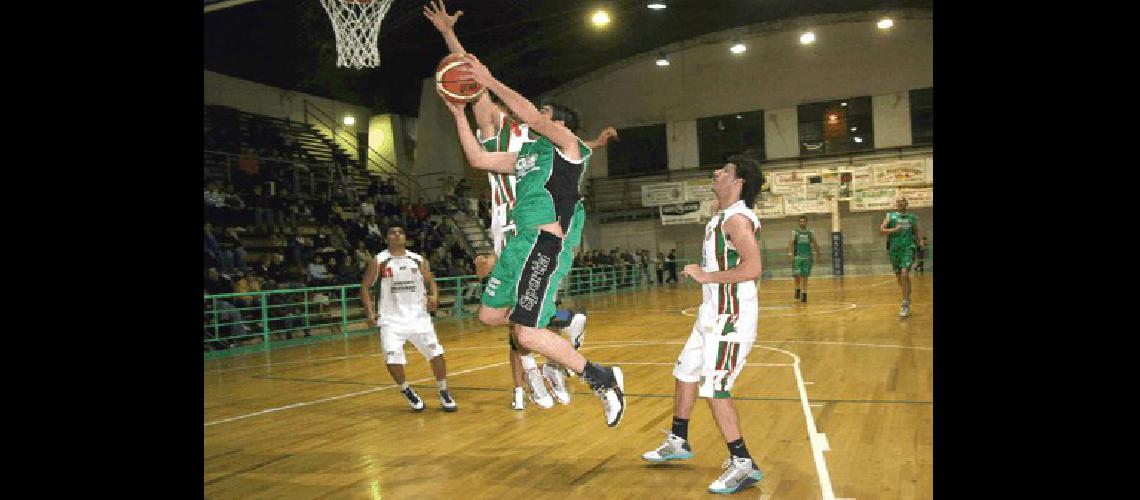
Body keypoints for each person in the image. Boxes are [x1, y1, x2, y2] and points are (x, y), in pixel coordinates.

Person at [426, 0, 609, 412]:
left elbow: (562, 143)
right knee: (500, 314)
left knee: (521, 318)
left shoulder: (541, 141)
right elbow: (471, 80)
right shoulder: (501, 133)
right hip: (506, 223)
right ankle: (558, 333)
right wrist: (449, 36)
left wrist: (590, 143)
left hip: (537, 225)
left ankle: (542, 370)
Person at [640, 155, 765, 495]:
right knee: (685, 372)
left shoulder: (737, 219)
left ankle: (744, 463)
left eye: (725, 171)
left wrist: (707, 275)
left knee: (715, 387)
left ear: (738, 182)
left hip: (731, 317)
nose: (716, 173)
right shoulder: (721, 215)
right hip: (710, 312)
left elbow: (753, 268)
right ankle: (678, 439)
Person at [360, 226, 457, 412]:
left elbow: (430, 281)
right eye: (392, 232)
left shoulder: (417, 259)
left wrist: (435, 297)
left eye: (400, 232)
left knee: (436, 354)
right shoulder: (379, 261)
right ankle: (406, 389)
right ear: (387, 238)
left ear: (405, 237)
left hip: (419, 316)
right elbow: (365, 287)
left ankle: (444, 391)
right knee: (392, 359)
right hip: (390, 319)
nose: (397, 234)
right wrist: (370, 313)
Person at [880, 197, 924, 318]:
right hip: (894, 250)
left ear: (906, 204)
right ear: (896, 204)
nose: (900, 203)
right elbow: (881, 231)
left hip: (908, 247)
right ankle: (907, 295)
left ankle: (904, 303)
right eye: (898, 202)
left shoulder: (912, 218)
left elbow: (916, 231)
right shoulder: (890, 216)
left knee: (905, 274)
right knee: (900, 277)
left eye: (902, 201)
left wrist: (920, 241)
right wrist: (894, 229)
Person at [788, 215, 820, 303]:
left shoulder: (810, 232)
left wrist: (818, 254)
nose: (802, 223)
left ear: (806, 222)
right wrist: (790, 254)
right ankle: (797, 289)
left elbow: (815, 243)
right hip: (797, 257)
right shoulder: (795, 232)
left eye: (804, 221)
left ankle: (804, 294)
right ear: (799, 222)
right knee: (797, 275)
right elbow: (790, 244)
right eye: (801, 221)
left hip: (807, 257)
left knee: (805, 276)